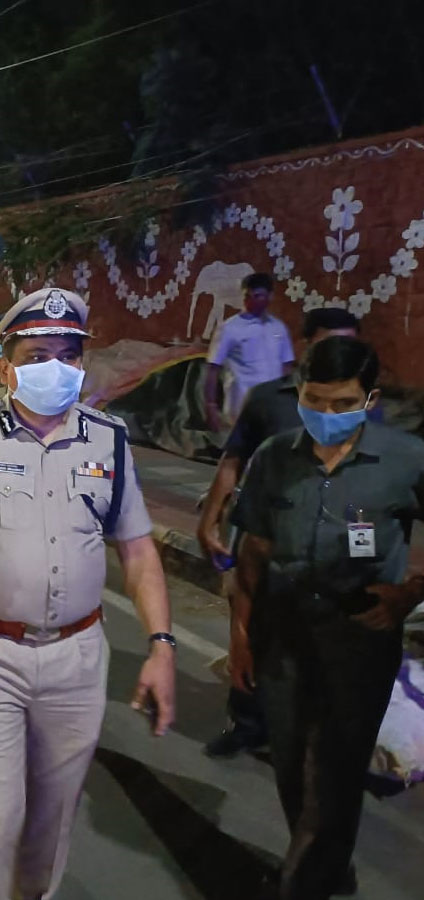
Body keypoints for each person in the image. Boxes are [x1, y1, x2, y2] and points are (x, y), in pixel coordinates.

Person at [0, 287, 176, 900]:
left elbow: (137, 549)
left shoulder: (107, 438)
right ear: (5, 367)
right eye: (35, 354)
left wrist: (161, 644)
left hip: (77, 660)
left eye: (67, 354)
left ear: (82, 364)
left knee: (52, 822)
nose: (53, 367)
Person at [231, 336, 424, 900]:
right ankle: (327, 866)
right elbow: (253, 553)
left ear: (370, 399)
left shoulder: (406, 458)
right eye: (315, 401)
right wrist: (241, 637)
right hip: (282, 627)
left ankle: (302, 884)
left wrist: (408, 595)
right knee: (291, 763)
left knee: (333, 772)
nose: (327, 415)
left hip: (359, 633)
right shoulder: (275, 457)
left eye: (343, 403)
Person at [198, 307, 361, 759]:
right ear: (307, 345)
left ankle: (306, 732)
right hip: (265, 537)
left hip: (330, 543)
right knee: (251, 626)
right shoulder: (271, 399)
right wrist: (210, 516)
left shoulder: (366, 403)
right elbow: (234, 459)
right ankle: (248, 721)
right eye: (329, 343)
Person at [204, 272, 295, 432]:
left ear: (270, 297)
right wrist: (210, 406)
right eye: (247, 295)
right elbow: (213, 368)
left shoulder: (278, 328)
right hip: (240, 407)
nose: (250, 300)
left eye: (258, 296)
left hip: (272, 406)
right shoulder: (228, 328)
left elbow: (287, 367)